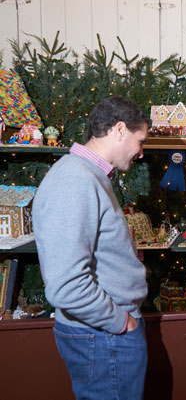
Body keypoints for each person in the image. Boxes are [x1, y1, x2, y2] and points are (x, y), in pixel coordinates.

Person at [32, 96, 150, 400]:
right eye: (140, 141)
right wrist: (121, 322)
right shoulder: (75, 180)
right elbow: (67, 285)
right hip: (104, 336)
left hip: (103, 335)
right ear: (120, 130)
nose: (141, 152)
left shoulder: (89, 176)